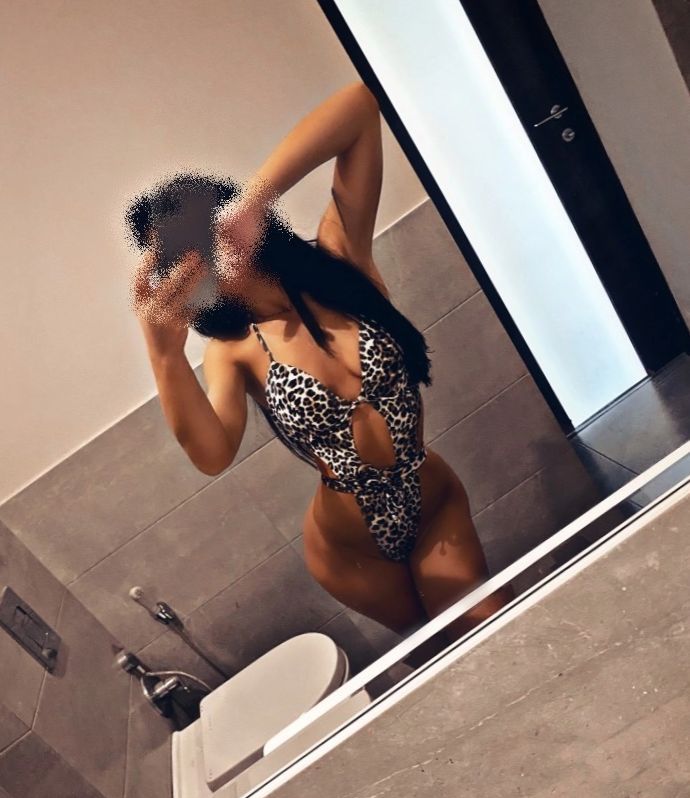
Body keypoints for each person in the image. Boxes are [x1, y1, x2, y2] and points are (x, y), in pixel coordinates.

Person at [127, 81, 511, 667]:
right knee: (443, 659)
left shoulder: (340, 257)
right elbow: (211, 454)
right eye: (174, 262)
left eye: (190, 246)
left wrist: (252, 202)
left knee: (488, 632)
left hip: (433, 500)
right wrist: (163, 355)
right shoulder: (232, 350)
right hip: (350, 551)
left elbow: (359, 105)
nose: (191, 268)